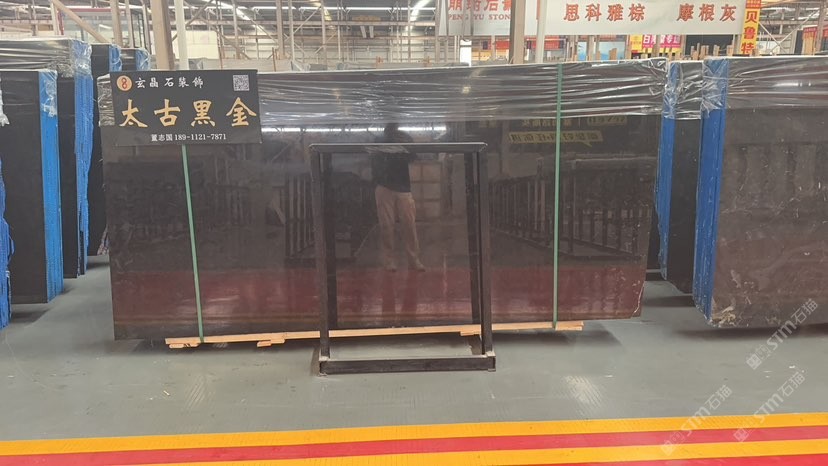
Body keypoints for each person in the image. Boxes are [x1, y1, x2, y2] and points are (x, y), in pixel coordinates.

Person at [371, 123, 425, 272]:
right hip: (391, 185)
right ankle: (393, 260)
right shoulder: (388, 139)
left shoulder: (395, 138)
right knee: (388, 225)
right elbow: (412, 157)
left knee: (406, 224)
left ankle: (410, 260)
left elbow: (412, 156)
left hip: (395, 185)